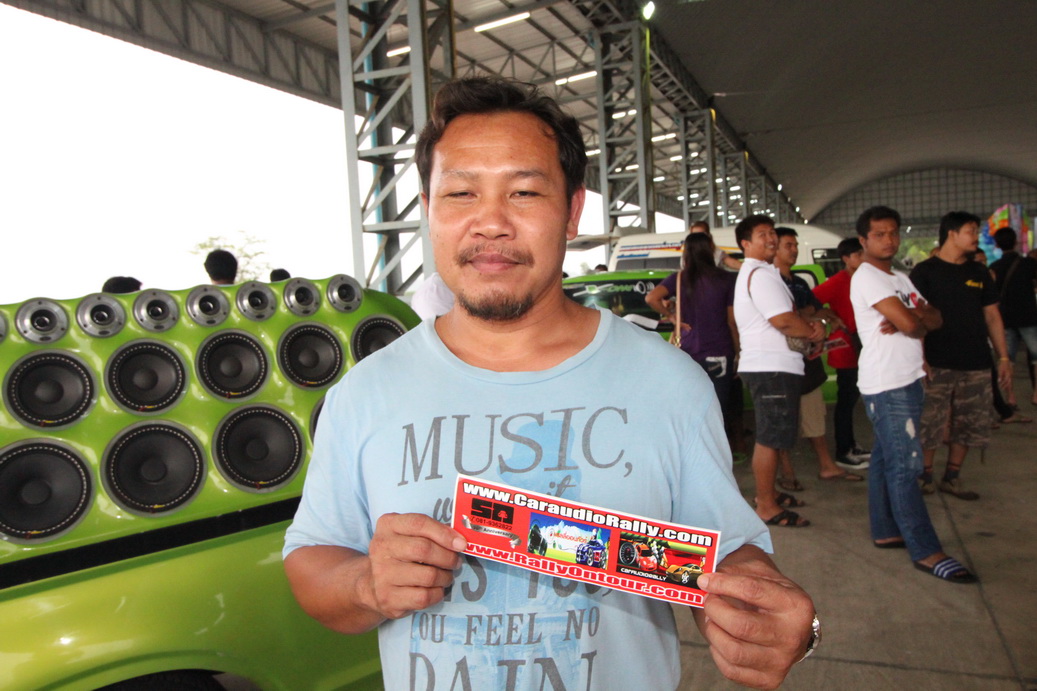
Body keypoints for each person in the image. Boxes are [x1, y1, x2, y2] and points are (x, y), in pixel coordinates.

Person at [282, 76, 817, 690]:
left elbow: (723, 557)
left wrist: (757, 602)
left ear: (572, 210)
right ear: (429, 209)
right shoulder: (365, 393)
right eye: (460, 193)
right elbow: (313, 563)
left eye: (524, 191)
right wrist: (365, 585)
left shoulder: (669, 383)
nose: (490, 223)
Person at [850, 205, 977, 583]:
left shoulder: (901, 279)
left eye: (893, 233)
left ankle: (885, 529)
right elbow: (912, 323)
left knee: (885, 459)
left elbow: (934, 319)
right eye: (879, 234)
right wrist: (912, 317)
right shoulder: (868, 277)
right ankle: (925, 550)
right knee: (906, 465)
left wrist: (913, 317)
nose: (889, 240)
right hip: (887, 383)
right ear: (863, 240)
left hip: (908, 378)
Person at [909, 212, 1013, 500]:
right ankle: (924, 476)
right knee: (929, 423)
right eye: (971, 231)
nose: (976, 237)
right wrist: (921, 358)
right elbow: (916, 318)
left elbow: (992, 316)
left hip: (976, 362)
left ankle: (952, 477)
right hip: (936, 362)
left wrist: (1004, 358)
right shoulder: (924, 272)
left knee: (970, 423)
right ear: (951, 234)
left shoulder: (979, 272)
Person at [734, 214, 825, 528]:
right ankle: (766, 505)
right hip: (770, 367)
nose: (771, 238)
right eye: (762, 234)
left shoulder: (764, 273)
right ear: (745, 244)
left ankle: (769, 493)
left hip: (774, 366)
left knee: (773, 436)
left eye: (772, 233)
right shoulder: (759, 275)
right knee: (770, 438)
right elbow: (783, 321)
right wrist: (814, 332)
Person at [772, 227, 862, 487]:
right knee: (781, 417)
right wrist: (807, 315)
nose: (794, 250)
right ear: (774, 249)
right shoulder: (768, 282)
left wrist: (822, 318)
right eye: (788, 245)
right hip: (779, 361)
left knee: (814, 413)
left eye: (795, 245)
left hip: (806, 360)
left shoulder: (799, 283)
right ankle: (787, 472)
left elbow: (817, 308)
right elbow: (785, 318)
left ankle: (826, 465)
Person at [645, 232, 738, 407]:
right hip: (720, 351)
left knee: (691, 406)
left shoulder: (679, 278)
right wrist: (738, 352)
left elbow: (651, 298)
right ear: (711, 250)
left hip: (688, 352)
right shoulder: (726, 279)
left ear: (686, 252)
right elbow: (731, 321)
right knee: (718, 408)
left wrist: (671, 317)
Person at [812, 237, 872, 470]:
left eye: (864, 253)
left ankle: (851, 445)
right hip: (847, 347)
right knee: (846, 400)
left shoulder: (866, 278)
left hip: (865, 345)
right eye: (858, 255)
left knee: (853, 398)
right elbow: (811, 300)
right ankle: (843, 450)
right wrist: (831, 317)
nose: (863, 259)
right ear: (846, 259)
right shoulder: (838, 281)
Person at [989, 227, 1037, 408]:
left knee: (1007, 359)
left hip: (1005, 319)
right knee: (1036, 356)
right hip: (1029, 317)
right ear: (1016, 242)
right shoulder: (1029, 264)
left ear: (997, 245)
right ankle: (1036, 394)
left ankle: (1010, 397)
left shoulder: (994, 267)